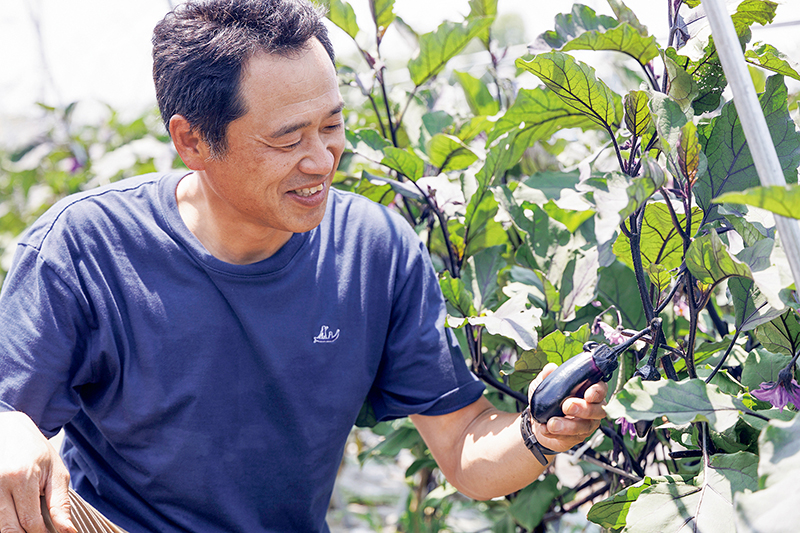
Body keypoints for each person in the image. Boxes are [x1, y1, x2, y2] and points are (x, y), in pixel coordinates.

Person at [0, 1, 608, 532]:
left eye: (333, 125)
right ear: (191, 142)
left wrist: (538, 433)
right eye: (288, 140)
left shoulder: (374, 251)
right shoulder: (82, 250)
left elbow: (463, 444)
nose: (322, 160)